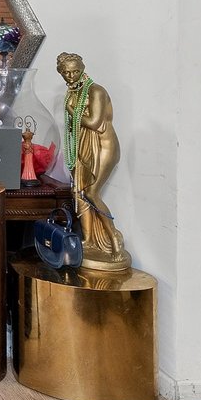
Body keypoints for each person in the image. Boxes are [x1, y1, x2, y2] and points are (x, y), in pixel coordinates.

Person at [56, 52, 129, 272]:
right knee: (78, 193)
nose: (70, 77)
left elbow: (95, 122)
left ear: (82, 68)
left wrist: (71, 109)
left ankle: (114, 241)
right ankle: (88, 240)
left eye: (75, 72)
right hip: (84, 147)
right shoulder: (74, 92)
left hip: (103, 146)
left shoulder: (96, 91)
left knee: (92, 193)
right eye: (66, 73)